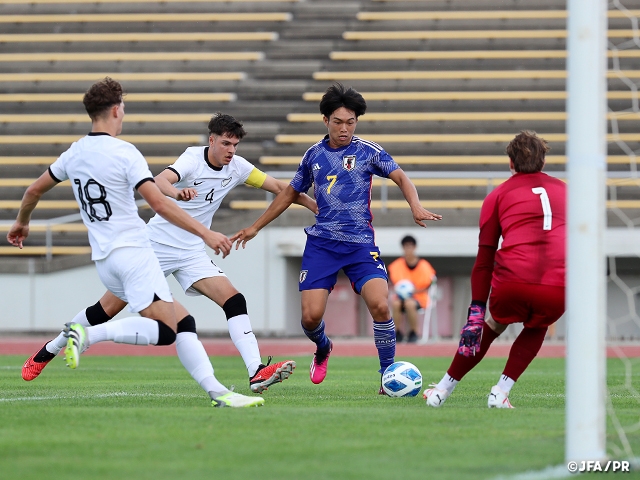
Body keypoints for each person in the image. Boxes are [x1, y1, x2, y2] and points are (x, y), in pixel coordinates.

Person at [21, 112, 318, 395]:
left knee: (234, 300)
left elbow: (281, 187)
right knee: (105, 309)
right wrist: (176, 192)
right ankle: (52, 347)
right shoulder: (191, 158)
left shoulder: (238, 167)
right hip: (155, 246)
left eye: (235, 144)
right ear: (211, 140)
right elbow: (161, 181)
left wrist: (312, 204)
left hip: (191, 251)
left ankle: (256, 372)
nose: (230, 150)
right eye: (225, 143)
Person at [9, 78, 263, 407]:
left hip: (104, 259)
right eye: (124, 107)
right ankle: (85, 336)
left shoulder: (73, 153)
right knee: (166, 330)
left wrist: (21, 223)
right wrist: (206, 233)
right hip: (136, 252)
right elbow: (158, 202)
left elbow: (32, 191)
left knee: (178, 321)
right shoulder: (126, 152)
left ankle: (219, 393)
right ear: (116, 110)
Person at [231, 83, 442, 394]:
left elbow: (400, 175)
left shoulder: (368, 151)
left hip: (360, 245)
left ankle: (387, 376)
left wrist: (415, 205)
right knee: (310, 316)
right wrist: (255, 227)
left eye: (351, 122)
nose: (345, 129)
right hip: (322, 245)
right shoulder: (313, 155)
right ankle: (323, 346)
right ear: (325, 120)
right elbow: (290, 193)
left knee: (381, 306)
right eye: (338, 122)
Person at [424, 131, 565, 408]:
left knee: (491, 325)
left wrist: (477, 307)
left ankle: (442, 390)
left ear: (510, 163)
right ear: (544, 161)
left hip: (513, 278)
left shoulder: (498, 195)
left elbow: (485, 255)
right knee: (539, 324)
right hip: (558, 283)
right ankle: (500, 392)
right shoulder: (567, 191)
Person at [387, 235, 436, 343]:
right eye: (406, 246)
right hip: (400, 297)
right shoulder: (396, 265)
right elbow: (394, 282)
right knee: (395, 303)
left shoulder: (424, 266)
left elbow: (428, 284)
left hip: (419, 297)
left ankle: (413, 332)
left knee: (410, 303)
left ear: (415, 247)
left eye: (411, 246)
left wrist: (413, 291)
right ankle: (397, 332)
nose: (408, 249)